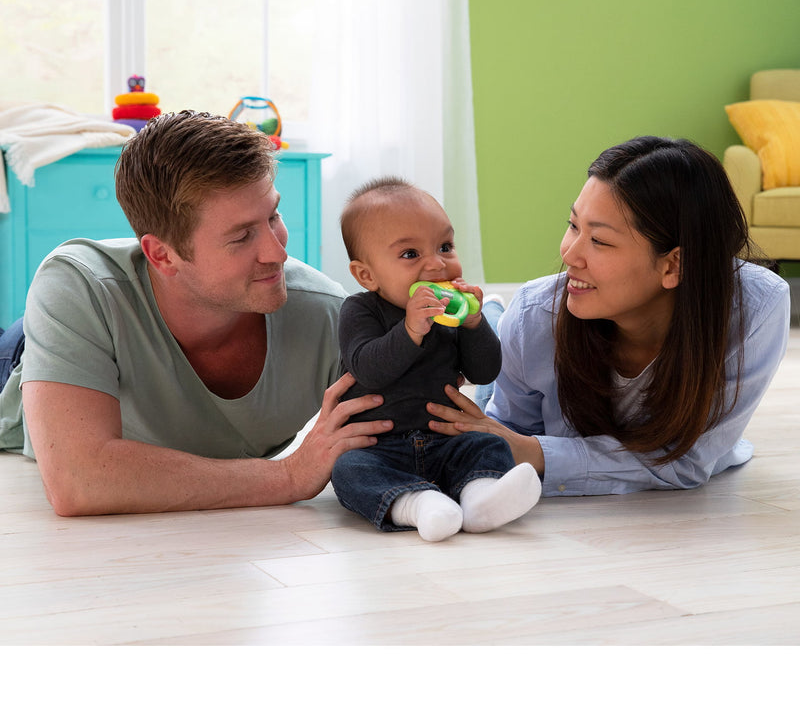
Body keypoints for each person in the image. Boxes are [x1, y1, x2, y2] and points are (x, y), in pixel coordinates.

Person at [0, 111, 391, 516]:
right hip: (20, 360)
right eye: (241, 236)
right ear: (162, 255)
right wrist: (288, 476)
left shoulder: (329, 315)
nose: (278, 252)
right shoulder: (78, 287)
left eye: (273, 216)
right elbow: (79, 481)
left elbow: (409, 422)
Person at [428, 135, 791, 496]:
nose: (569, 254)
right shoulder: (534, 314)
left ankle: (492, 317)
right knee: (489, 380)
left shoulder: (755, 309)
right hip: (517, 342)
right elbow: (507, 439)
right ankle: (493, 318)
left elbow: (685, 460)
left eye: (599, 241)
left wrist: (537, 451)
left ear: (674, 264)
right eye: (573, 225)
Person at [330, 177, 541, 542]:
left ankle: (480, 502)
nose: (437, 264)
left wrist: (474, 324)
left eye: (445, 246)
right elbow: (368, 368)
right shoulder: (359, 310)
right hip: (381, 449)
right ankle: (418, 505)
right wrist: (410, 329)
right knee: (348, 470)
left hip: (446, 440)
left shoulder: (450, 315)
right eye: (410, 254)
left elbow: (484, 370)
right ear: (367, 275)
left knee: (488, 443)